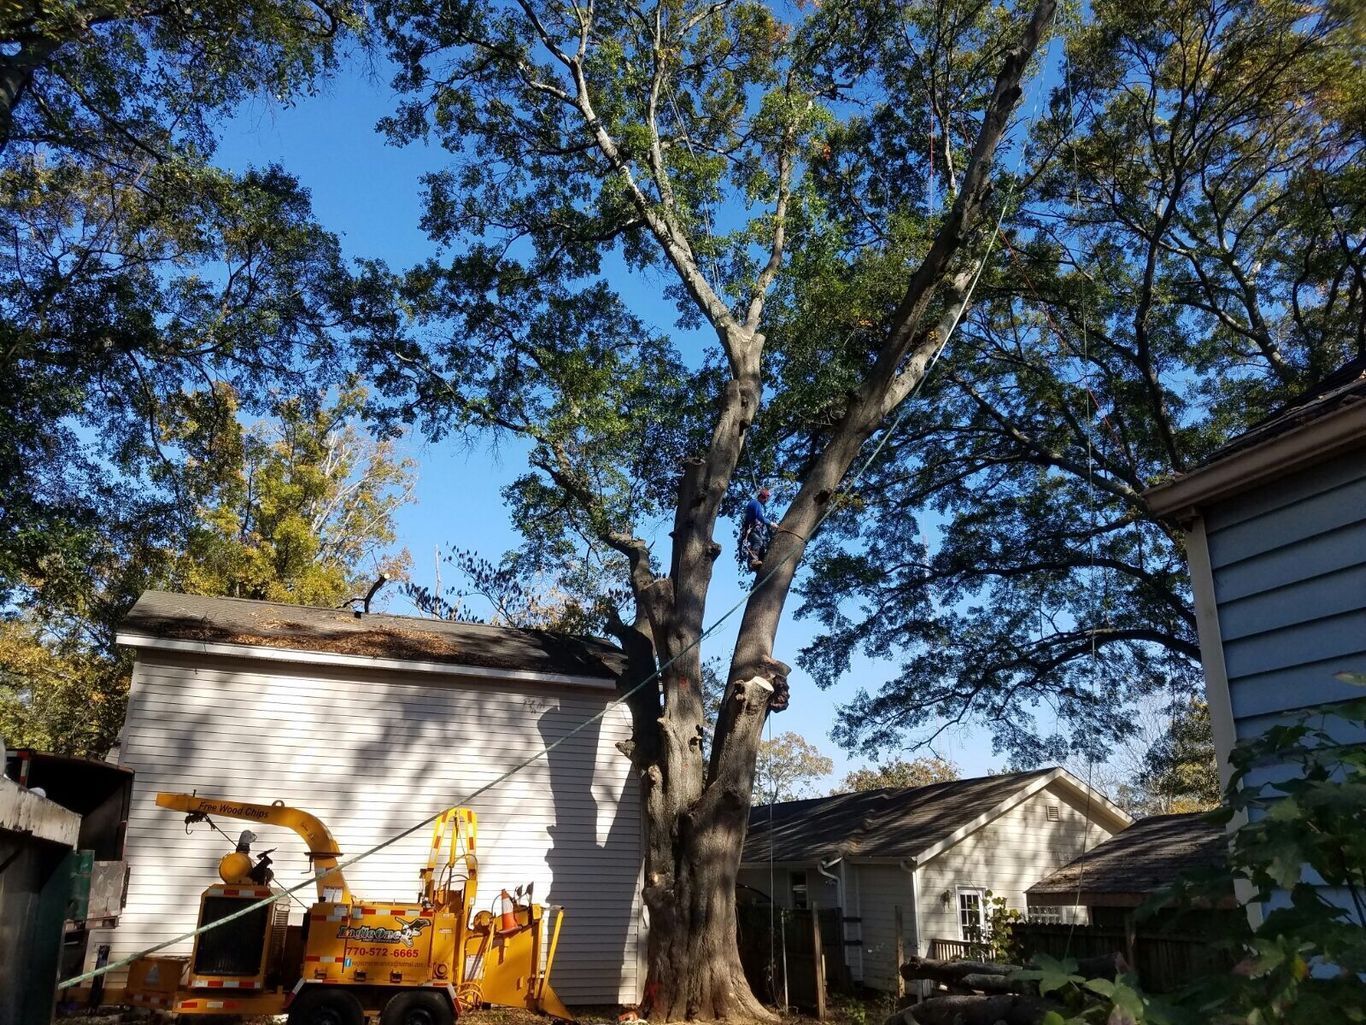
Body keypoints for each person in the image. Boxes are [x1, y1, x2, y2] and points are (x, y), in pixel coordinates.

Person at [739, 487, 776, 571]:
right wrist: (771, 523)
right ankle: (753, 561)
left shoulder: (759, 505)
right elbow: (760, 517)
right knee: (758, 541)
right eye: (764, 498)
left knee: (762, 546)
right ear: (761, 497)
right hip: (751, 530)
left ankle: (759, 564)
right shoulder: (755, 503)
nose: (765, 500)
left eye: (766, 499)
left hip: (756, 530)